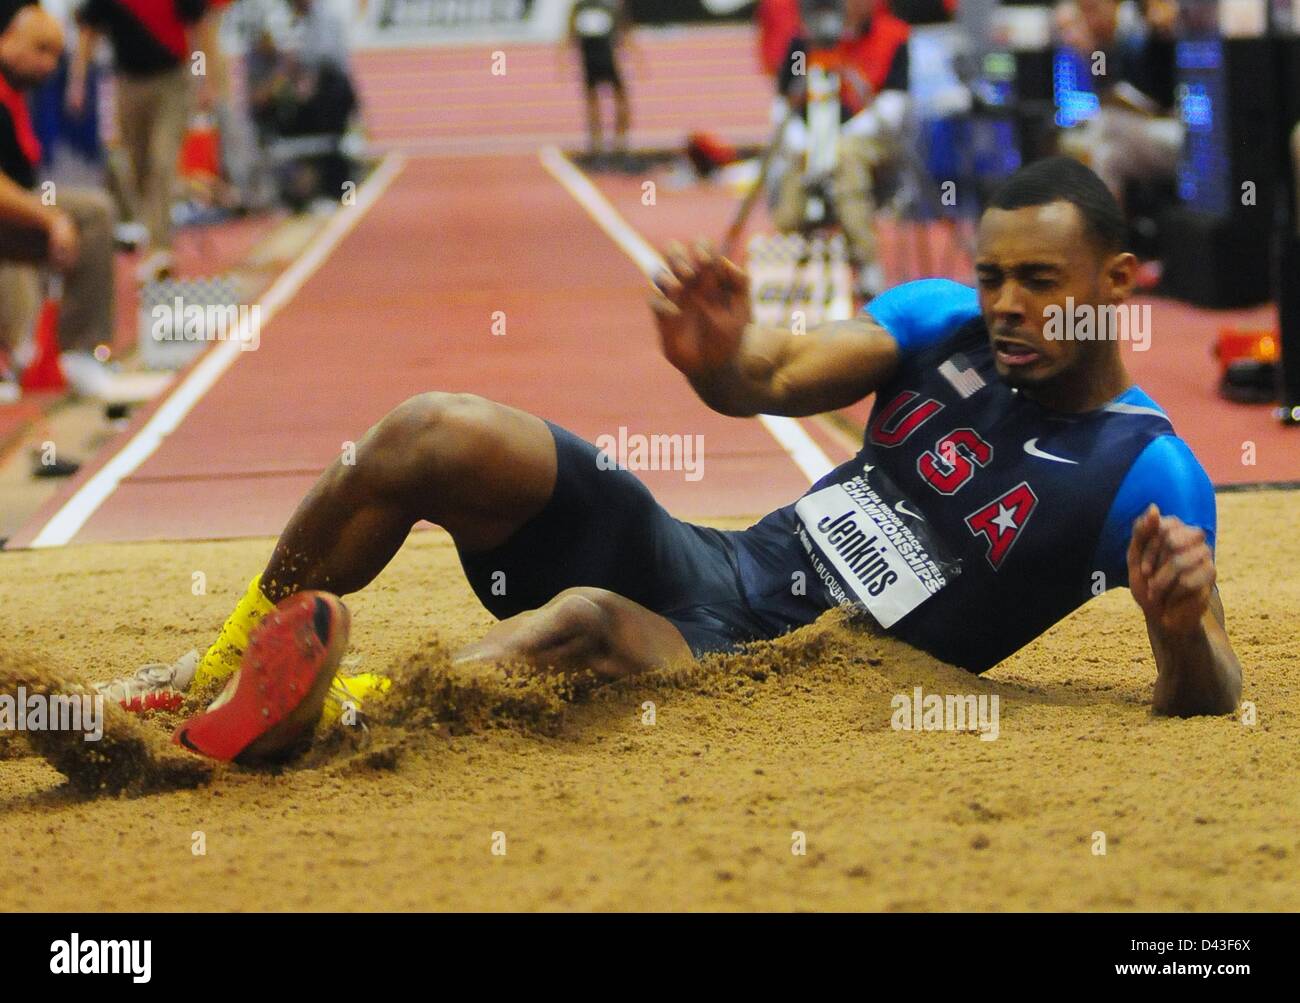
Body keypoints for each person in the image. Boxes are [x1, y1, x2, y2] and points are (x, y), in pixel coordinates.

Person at [104, 157, 1241, 763]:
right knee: (427, 429)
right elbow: (769, 375)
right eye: (992, 275)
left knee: (586, 618)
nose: (1002, 305)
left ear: (1116, 284)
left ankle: (328, 716)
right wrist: (716, 357)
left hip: (782, 671)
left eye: (1037, 283)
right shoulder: (941, 321)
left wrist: (1182, 629)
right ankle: (221, 666)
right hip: (717, 566)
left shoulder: (1150, 474)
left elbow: (1206, 696)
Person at [0, 3, 116, 381]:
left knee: (94, 213)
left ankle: (78, 352)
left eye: (55, 54)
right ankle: (17, 353)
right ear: (7, 40)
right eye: (40, 50)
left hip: (15, 204)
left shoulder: (17, 94)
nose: (49, 65)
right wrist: (49, 217)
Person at [771, 0, 911, 298]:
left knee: (846, 156)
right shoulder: (803, 40)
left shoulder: (894, 36)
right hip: (810, 143)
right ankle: (782, 269)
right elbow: (783, 102)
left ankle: (867, 261)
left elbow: (894, 107)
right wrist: (802, 140)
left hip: (870, 140)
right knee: (790, 194)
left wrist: (837, 140)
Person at [67, 0, 208, 282]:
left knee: (162, 160)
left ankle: (159, 247)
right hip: (128, 83)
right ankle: (153, 231)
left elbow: (198, 29)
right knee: (137, 166)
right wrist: (78, 81)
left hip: (172, 80)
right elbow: (88, 31)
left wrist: (202, 77)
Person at [1054, 0, 1182, 208]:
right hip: (1145, 130)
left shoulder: (1142, 32)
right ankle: (1110, 236)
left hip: (1176, 132)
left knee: (1106, 123)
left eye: (1093, 9)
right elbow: (1109, 91)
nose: (1090, 19)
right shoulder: (1109, 45)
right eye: (1084, 12)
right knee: (1107, 156)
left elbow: (1165, 89)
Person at [564, 0, 630, 163]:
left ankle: (614, 142)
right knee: (596, 102)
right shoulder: (582, 7)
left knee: (616, 100)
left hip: (602, 58)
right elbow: (570, 33)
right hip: (595, 59)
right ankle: (601, 143)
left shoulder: (606, 7)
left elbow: (623, 30)